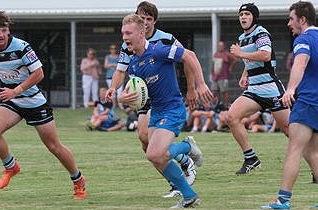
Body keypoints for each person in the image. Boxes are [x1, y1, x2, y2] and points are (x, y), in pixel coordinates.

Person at [0, 11, 87, 200]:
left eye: (4, 30)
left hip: (34, 101)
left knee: (54, 146)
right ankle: (11, 166)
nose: (2, 35)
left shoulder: (21, 47)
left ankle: (78, 179)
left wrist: (16, 90)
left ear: (8, 30)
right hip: (12, 100)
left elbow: (39, 74)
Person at [108, 1, 213, 198]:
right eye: (142, 18)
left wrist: (195, 86)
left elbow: (189, 57)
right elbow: (122, 73)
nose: (145, 22)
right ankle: (185, 190)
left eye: (148, 19)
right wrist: (117, 92)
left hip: (170, 103)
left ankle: (185, 151)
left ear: (152, 23)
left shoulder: (163, 43)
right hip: (150, 101)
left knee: (155, 153)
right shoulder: (133, 55)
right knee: (148, 145)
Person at [260, 1, 318, 210]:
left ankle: (283, 200)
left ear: (303, 20)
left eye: (291, 19)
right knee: (312, 152)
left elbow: (300, 63)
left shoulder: (304, 39)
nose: (288, 24)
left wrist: (291, 89)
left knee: (294, 149)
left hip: (308, 102)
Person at [227, 3, 290, 175]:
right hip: (254, 89)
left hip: (271, 89)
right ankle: (251, 159)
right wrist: (245, 74)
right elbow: (251, 59)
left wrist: (240, 54)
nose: (243, 17)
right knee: (232, 117)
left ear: (254, 17)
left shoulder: (261, 33)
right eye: (241, 14)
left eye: (247, 14)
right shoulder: (242, 38)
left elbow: (265, 54)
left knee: (289, 130)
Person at [211, 41, 238, 108]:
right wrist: (212, 73)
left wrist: (230, 67)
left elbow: (236, 59)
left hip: (223, 76)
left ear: (223, 47)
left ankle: (225, 106)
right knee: (214, 91)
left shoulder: (226, 54)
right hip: (215, 76)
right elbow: (213, 64)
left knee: (224, 91)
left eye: (221, 46)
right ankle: (216, 105)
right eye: (219, 46)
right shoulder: (216, 54)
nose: (220, 47)